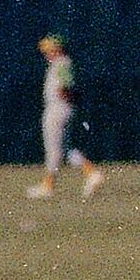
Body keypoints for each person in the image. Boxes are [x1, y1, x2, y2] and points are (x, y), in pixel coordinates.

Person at [27, 35, 104, 200]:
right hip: (62, 109)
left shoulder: (62, 63)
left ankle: (48, 186)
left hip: (57, 109)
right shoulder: (60, 64)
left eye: (49, 49)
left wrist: (64, 96)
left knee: (53, 149)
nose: (47, 53)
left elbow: (65, 87)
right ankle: (92, 173)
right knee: (67, 149)